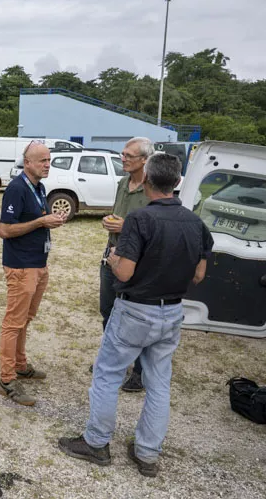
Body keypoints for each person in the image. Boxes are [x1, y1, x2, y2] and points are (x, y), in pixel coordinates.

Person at [58, 153, 213, 478]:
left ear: (147, 181)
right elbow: (199, 273)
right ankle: (147, 454)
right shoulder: (195, 223)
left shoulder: (141, 220)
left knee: (107, 374)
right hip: (171, 312)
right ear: (177, 182)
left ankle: (96, 443)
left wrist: (114, 259)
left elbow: (125, 273)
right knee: (159, 384)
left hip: (134, 310)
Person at [0, 141, 66, 406]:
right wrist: (40, 221)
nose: (47, 165)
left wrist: (51, 219)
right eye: (42, 161)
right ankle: (6, 380)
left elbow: (37, 221)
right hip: (21, 265)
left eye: (49, 160)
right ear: (27, 163)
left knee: (26, 318)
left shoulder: (39, 186)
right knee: (14, 322)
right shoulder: (16, 188)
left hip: (38, 262)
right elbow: (5, 230)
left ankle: (21, 365)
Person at [98, 137, 154, 392]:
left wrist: (125, 226)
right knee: (108, 310)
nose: (123, 158)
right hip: (111, 256)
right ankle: (112, 360)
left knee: (137, 317)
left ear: (144, 159)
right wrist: (109, 221)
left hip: (137, 262)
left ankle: (140, 372)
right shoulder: (123, 183)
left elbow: (156, 228)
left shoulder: (153, 188)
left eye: (129, 155)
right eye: (122, 154)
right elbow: (118, 214)